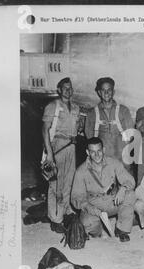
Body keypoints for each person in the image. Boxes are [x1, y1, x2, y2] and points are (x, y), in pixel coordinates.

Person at [71, 137, 136, 242]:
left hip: (113, 201)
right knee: (88, 223)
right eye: (92, 152)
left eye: (99, 151)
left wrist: (123, 188)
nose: (97, 155)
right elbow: (76, 197)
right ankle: (99, 230)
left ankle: (121, 230)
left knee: (130, 195)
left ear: (104, 150)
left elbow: (130, 181)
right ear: (87, 152)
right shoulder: (81, 171)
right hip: (94, 205)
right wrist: (88, 207)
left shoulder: (113, 163)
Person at [42, 77, 81, 233]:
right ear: (59, 90)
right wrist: (49, 155)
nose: (68, 90)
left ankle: (64, 211)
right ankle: (55, 219)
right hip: (57, 146)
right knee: (55, 183)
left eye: (70, 88)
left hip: (71, 147)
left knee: (68, 182)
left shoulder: (76, 108)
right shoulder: (53, 106)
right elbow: (44, 130)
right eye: (65, 88)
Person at [85, 77, 134, 169]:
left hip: (121, 157)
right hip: (103, 158)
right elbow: (89, 137)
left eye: (109, 90)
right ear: (99, 92)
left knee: (125, 181)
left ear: (113, 92)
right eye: (103, 90)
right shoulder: (92, 114)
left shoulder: (123, 111)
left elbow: (130, 134)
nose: (106, 93)